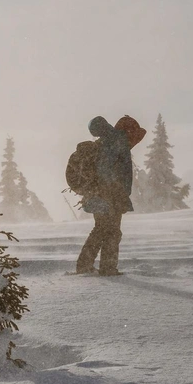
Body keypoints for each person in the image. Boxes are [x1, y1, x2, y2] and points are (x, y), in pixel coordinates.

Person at [76, 115, 147, 276]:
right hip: (110, 196)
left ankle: (85, 265)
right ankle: (106, 268)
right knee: (111, 231)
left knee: (101, 229)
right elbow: (108, 171)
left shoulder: (103, 142)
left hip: (98, 194)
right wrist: (115, 193)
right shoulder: (117, 142)